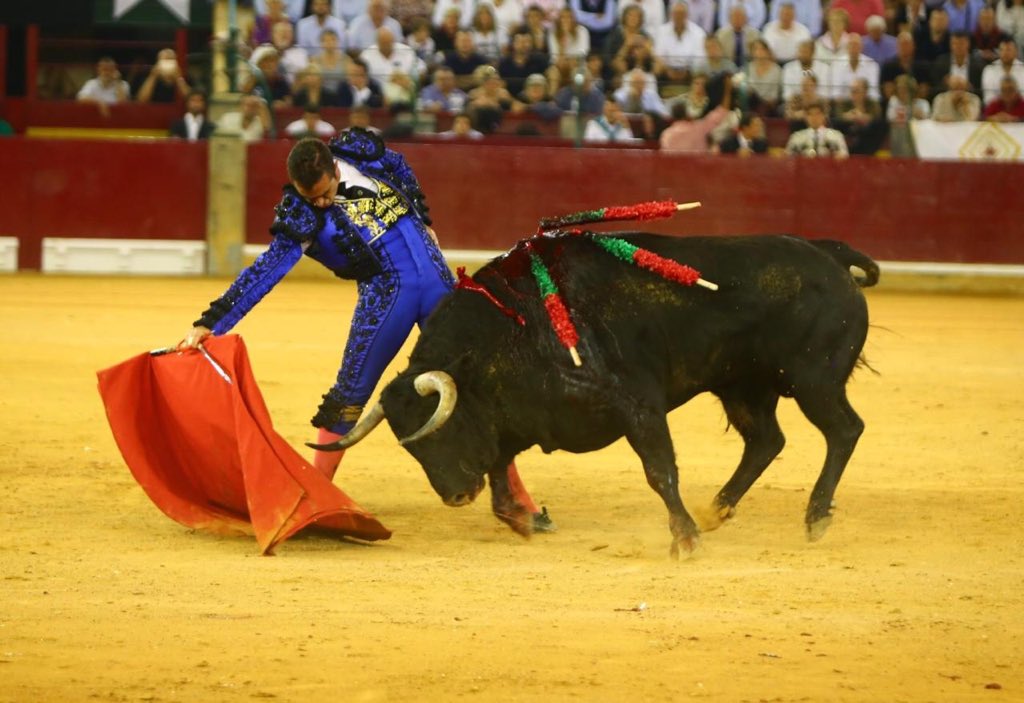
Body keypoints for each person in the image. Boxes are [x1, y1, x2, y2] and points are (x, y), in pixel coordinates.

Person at [177, 132, 550, 528]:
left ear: (334, 168)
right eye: (312, 198)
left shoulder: (359, 154)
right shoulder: (302, 215)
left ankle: (513, 499)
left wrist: (422, 217)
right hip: (389, 295)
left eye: (324, 193)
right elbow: (264, 272)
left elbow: (401, 166)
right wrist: (211, 321)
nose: (320, 203)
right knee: (351, 391)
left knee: (480, 385)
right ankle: (314, 496)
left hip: (438, 281)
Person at [660, 74, 734, 152]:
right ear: (687, 115)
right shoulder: (698, 128)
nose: (700, 87)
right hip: (699, 162)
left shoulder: (666, 134)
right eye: (696, 83)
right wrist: (727, 89)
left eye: (703, 84)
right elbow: (723, 110)